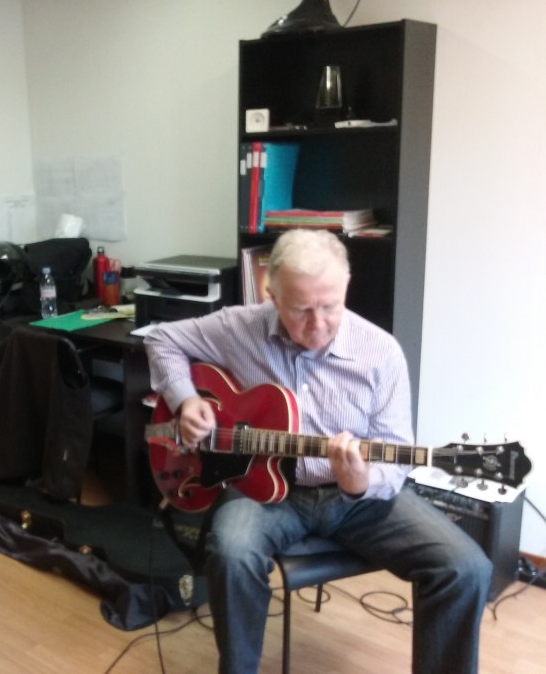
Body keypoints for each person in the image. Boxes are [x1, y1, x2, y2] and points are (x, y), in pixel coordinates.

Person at [144, 229, 492, 674]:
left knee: (465, 567)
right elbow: (162, 339)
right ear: (271, 295)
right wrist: (186, 399)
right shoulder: (238, 327)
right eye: (300, 309)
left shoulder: (381, 353)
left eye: (330, 306)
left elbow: (396, 454)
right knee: (231, 552)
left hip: (358, 501)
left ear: (346, 285)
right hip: (266, 491)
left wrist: (361, 482)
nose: (318, 324)